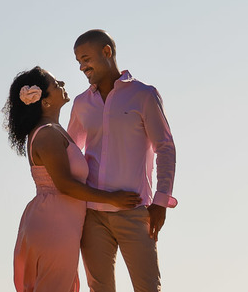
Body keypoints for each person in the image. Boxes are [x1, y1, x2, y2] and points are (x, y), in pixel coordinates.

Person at [5, 67, 142, 292]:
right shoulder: (47, 134)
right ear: (44, 102)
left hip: (60, 222)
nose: (62, 82)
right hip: (54, 224)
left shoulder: (54, 130)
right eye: (55, 83)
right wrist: (112, 198)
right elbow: (65, 184)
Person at [68, 30, 177, 292]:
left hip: (136, 210)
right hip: (92, 215)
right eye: (78, 62)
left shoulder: (144, 95)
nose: (82, 67)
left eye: (86, 59)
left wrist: (160, 202)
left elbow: (165, 147)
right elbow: (69, 153)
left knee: (148, 288)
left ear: (107, 52)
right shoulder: (82, 104)